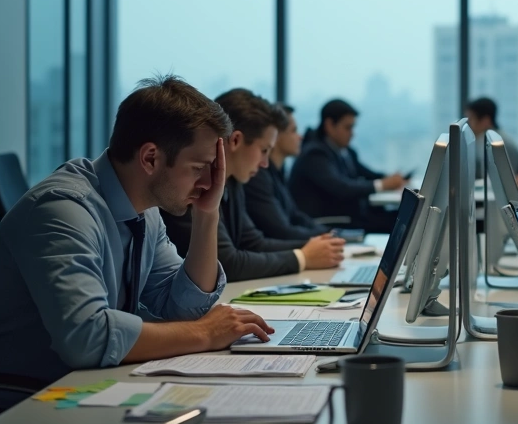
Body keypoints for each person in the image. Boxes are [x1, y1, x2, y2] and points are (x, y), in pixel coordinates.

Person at [0, 76, 275, 424]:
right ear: (150, 158)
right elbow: (87, 338)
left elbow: (182, 307)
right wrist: (205, 334)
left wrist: (207, 215)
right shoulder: (62, 210)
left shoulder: (145, 211)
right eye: (198, 168)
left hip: (63, 390)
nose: (207, 183)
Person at [162, 89, 344, 281]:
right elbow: (225, 264)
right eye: (264, 150)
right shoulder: (195, 185)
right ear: (236, 140)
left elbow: (252, 242)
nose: (265, 163)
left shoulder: (234, 182)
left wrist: (317, 248)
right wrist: (302, 257)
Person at [288, 99, 406, 233]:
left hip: (351, 214)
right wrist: (382, 185)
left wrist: (390, 179)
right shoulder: (315, 154)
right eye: (347, 127)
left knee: (401, 216)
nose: (352, 133)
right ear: (329, 125)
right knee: (398, 222)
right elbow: (342, 188)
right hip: (334, 221)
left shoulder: (344, 151)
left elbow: (366, 173)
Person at [243, 104, 331, 241]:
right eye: (294, 131)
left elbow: (294, 215)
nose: (300, 137)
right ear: (276, 135)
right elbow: (282, 232)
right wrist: (324, 237)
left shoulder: (277, 171)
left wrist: (328, 232)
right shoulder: (258, 175)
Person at [466, 97, 518, 176]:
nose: (468, 124)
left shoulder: (499, 143)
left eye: (471, 119)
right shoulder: (482, 141)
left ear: (485, 121)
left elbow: (508, 179)